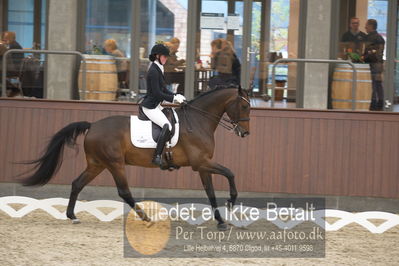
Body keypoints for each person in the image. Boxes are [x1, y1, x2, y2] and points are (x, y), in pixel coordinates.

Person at [140, 43, 186, 166]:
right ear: (157, 56)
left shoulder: (159, 68)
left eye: (166, 57)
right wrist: (173, 99)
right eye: (164, 56)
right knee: (167, 125)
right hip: (150, 106)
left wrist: (176, 95)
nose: (166, 59)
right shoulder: (153, 71)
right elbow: (157, 93)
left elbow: (164, 89)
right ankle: (157, 156)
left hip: (157, 104)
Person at [362, 19, 385, 111]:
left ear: (371, 26)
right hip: (379, 64)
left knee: (373, 85)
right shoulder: (380, 38)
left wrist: (363, 57)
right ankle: (380, 104)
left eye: (366, 25)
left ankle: (374, 105)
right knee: (378, 84)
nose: (365, 27)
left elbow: (371, 52)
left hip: (373, 64)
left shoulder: (370, 38)